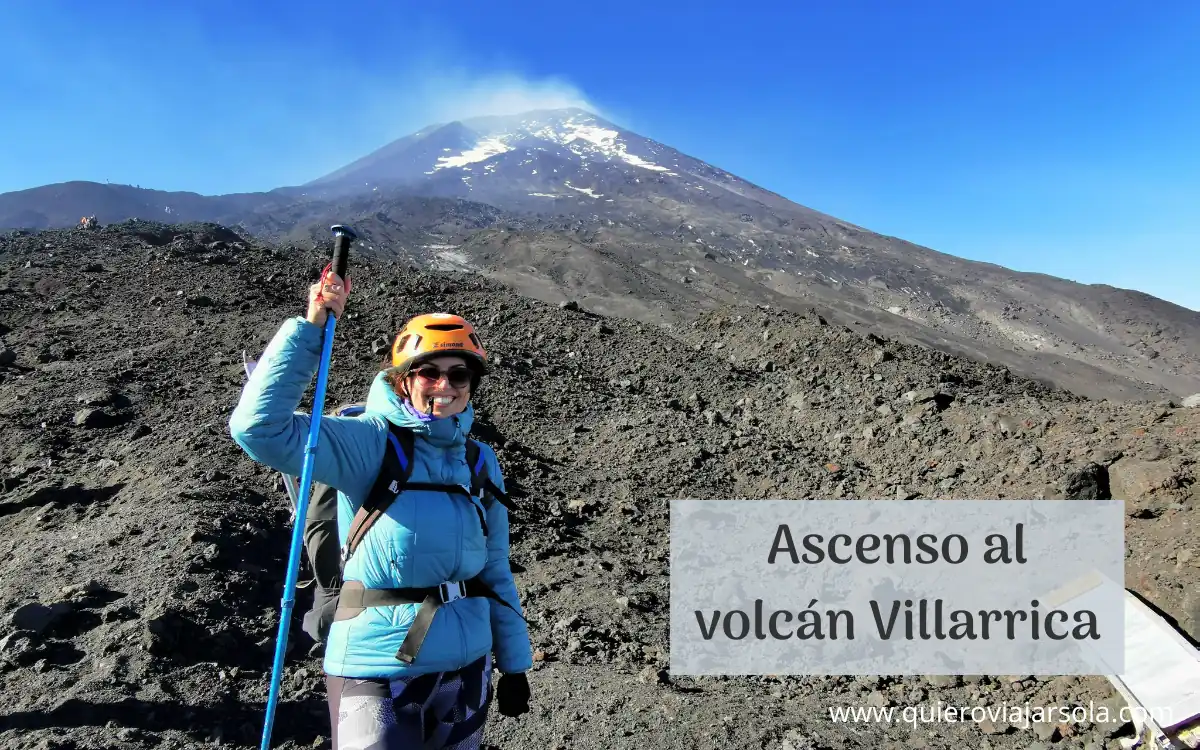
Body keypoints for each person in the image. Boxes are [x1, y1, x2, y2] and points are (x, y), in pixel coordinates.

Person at [229, 270, 532, 749]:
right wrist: (310, 331)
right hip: (377, 669)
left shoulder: (478, 460)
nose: (444, 385)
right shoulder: (370, 441)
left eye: (459, 374)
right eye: (429, 372)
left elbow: (494, 567)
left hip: (468, 665)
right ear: (404, 378)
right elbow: (259, 430)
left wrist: (513, 664)